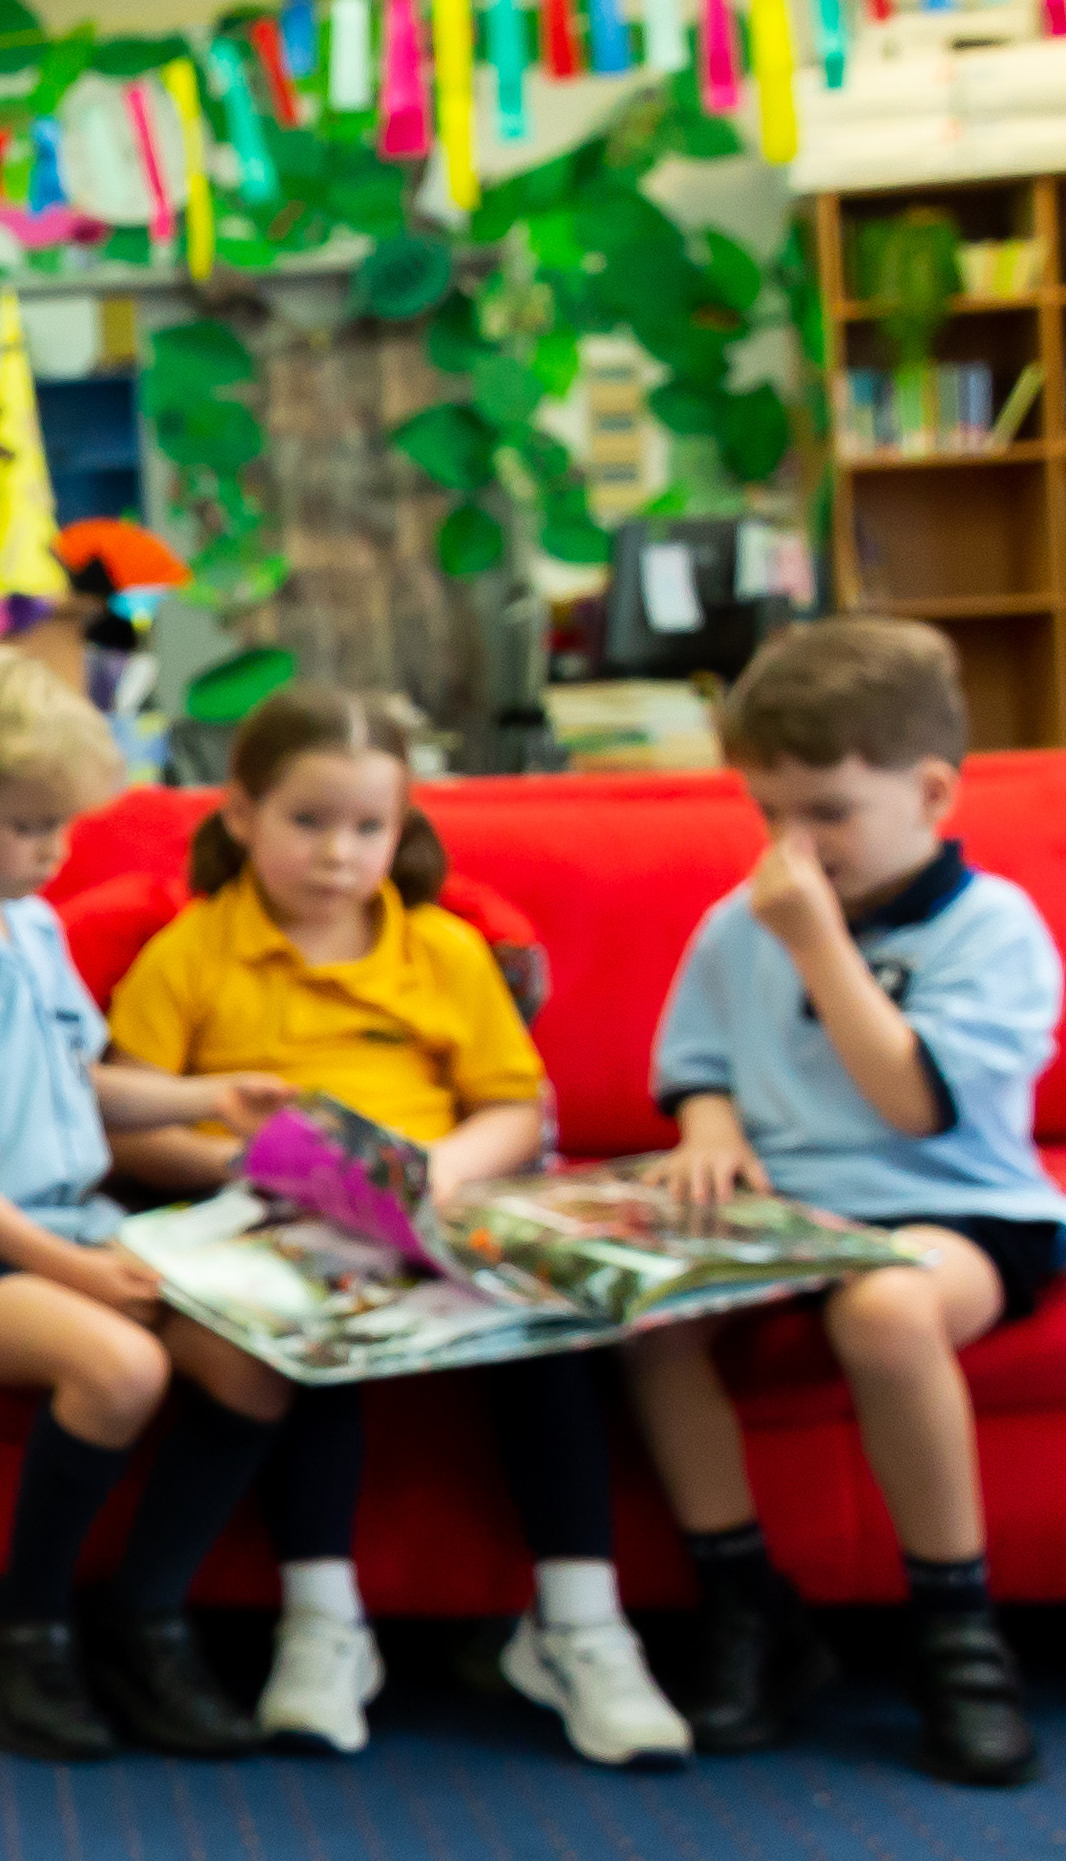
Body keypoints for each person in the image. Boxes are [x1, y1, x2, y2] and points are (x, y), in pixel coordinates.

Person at [104, 687, 688, 1768]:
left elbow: (512, 1105)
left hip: (439, 1202)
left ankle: (580, 1624)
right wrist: (240, 1165)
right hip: (272, 1213)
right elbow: (130, 1121)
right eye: (309, 823)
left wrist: (442, 1175)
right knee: (307, 1325)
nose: (339, 856)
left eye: (369, 829)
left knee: (552, 1321)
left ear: (404, 830)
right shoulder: (194, 953)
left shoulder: (442, 950)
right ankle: (323, 1625)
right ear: (241, 817)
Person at [0, 648, 302, 1766]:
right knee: (121, 1366)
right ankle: (21, 1621)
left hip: (64, 1224)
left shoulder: (23, 918)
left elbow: (82, 1077)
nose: (56, 852)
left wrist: (208, 1096)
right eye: (31, 827)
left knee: (253, 1361)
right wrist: (72, 1272)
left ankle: (149, 1614)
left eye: (64, 828)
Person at [619, 618, 1066, 1788]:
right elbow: (699, 1064)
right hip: (790, 1216)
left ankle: (957, 1638)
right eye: (770, 814)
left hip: (955, 1208)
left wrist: (821, 945)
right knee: (646, 1315)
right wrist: (710, 1127)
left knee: (884, 1309)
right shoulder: (741, 923)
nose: (795, 848)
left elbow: (917, 1102)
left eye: (827, 813)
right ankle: (748, 1612)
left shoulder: (993, 929)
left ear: (929, 794)